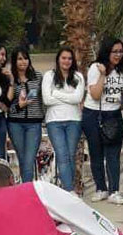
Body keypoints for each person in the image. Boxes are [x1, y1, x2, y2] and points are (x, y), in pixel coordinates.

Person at [83, 38, 123, 205]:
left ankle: (114, 190)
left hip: (114, 115)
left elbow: (119, 95)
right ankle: (101, 188)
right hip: (94, 114)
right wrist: (103, 75)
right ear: (107, 51)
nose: (117, 55)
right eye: (114, 51)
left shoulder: (121, 70)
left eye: (120, 51)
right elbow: (95, 94)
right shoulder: (96, 68)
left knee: (113, 155)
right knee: (96, 153)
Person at [42, 47, 85, 193]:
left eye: (69, 58)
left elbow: (78, 98)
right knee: (62, 154)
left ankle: (70, 188)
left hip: (74, 120)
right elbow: (47, 99)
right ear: (58, 59)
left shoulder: (78, 77)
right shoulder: (49, 75)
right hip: (54, 121)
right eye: (63, 58)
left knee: (70, 155)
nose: (66, 61)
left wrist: (56, 93)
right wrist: (68, 99)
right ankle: (69, 190)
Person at [6, 47, 44, 183]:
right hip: (15, 123)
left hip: (34, 124)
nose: (23, 62)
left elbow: (43, 100)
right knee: (22, 158)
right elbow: (5, 105)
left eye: (25, 58)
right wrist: (19, 106)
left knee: (29, 159)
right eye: (19, 59)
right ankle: (26, 189)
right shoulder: (10, 80)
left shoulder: (38, 77)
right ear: (14, 61)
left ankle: (27, 189)